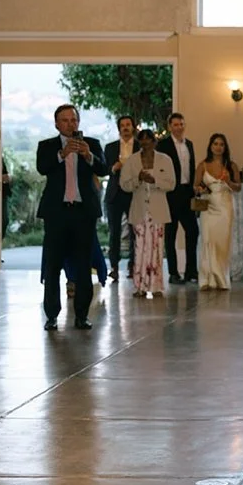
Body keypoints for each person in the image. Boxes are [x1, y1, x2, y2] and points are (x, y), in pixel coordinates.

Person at [36, 104, 108, 331]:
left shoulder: (92, 144)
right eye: (65, 120)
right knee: (53, 265)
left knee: (83, 265)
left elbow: (104, 169)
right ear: (56, 123)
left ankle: (82, 315)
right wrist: (62, 154)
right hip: (56, 214)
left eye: (73, 120)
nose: (70, 124)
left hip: (83, 213)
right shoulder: (47, 145)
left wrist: (87, 155)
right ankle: (51, 315)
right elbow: (42, 167)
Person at [121, 129, 175, 299]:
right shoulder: (132, 161)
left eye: (148, 140)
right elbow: (124, 184)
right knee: (140, 248)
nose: (145, 144)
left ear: (154, 142)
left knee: (157, 248)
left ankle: (156, 286)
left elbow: (171, 183)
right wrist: (138, 178)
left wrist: (155, 181)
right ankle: (140, 286)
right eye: (142, 141)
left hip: (158, 210)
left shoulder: (165, 160)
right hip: (139, 210)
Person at [157, 112, 199, 285]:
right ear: (169, 127)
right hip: (170, 194)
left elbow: (191, 167)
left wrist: (194, 188)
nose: (179, 127)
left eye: (181, 124)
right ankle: (173, 273)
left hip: (186, 192)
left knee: (193, 231)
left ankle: (191, 271)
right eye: (175, 125)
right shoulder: (163, 145)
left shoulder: (189, 144)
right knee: (171, 234)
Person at [195, 132, 240, 291]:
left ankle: (221, 279)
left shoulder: (231, 166)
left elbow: (238, 187)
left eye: (221, 144)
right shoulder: (203, 165)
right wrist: (200, 188)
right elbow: (195, 186)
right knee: (207, 240)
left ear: (225, 147)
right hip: (208, 206)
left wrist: (228, 180)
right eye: (215, 144)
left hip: (225, 206)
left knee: (222, 243)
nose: (218, 147)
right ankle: (207, 279)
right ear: (210, 146)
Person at [103, 116, 137, 281]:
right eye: (122, 125)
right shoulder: (110, 147)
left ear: (133, 127)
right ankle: (114, 267)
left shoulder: (140, 147)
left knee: (134, 232)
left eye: (128, 125)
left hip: (134, 193)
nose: (125, 128)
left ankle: (133, 265)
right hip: (114, 194)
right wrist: (113, 168)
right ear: (118, 129)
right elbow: (103, 169)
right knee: (114, 232)